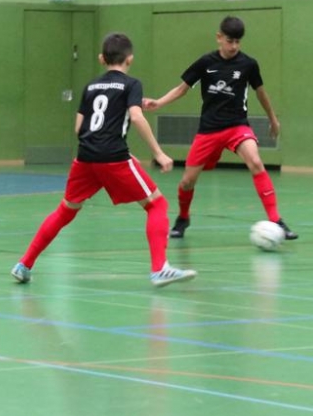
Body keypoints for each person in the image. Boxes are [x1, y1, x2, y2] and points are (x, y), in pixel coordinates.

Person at [11, 32, 196, 288]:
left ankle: (24, 264)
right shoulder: (132, 84)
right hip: (113, 157)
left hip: (85, 157)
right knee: (157, 204)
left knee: (65, 211)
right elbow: (137, 117)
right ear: (130, 59)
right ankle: (159, 269)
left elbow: (79, 127)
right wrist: (158, 153)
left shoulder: (90, 87)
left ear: (102, 59)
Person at [143, 16, 298, 241]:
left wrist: (273, 119)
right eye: (229, 41)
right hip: (209, 130)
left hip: (237, 126)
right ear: (219, 37)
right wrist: (158, 103)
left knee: (256, 162)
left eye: (237, 42)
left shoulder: (248, 64)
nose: (234, 46)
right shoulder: (205, 63)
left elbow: (261, 93)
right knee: (187, 182)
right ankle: (183, 218)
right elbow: (181, 89)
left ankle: (276, 220)